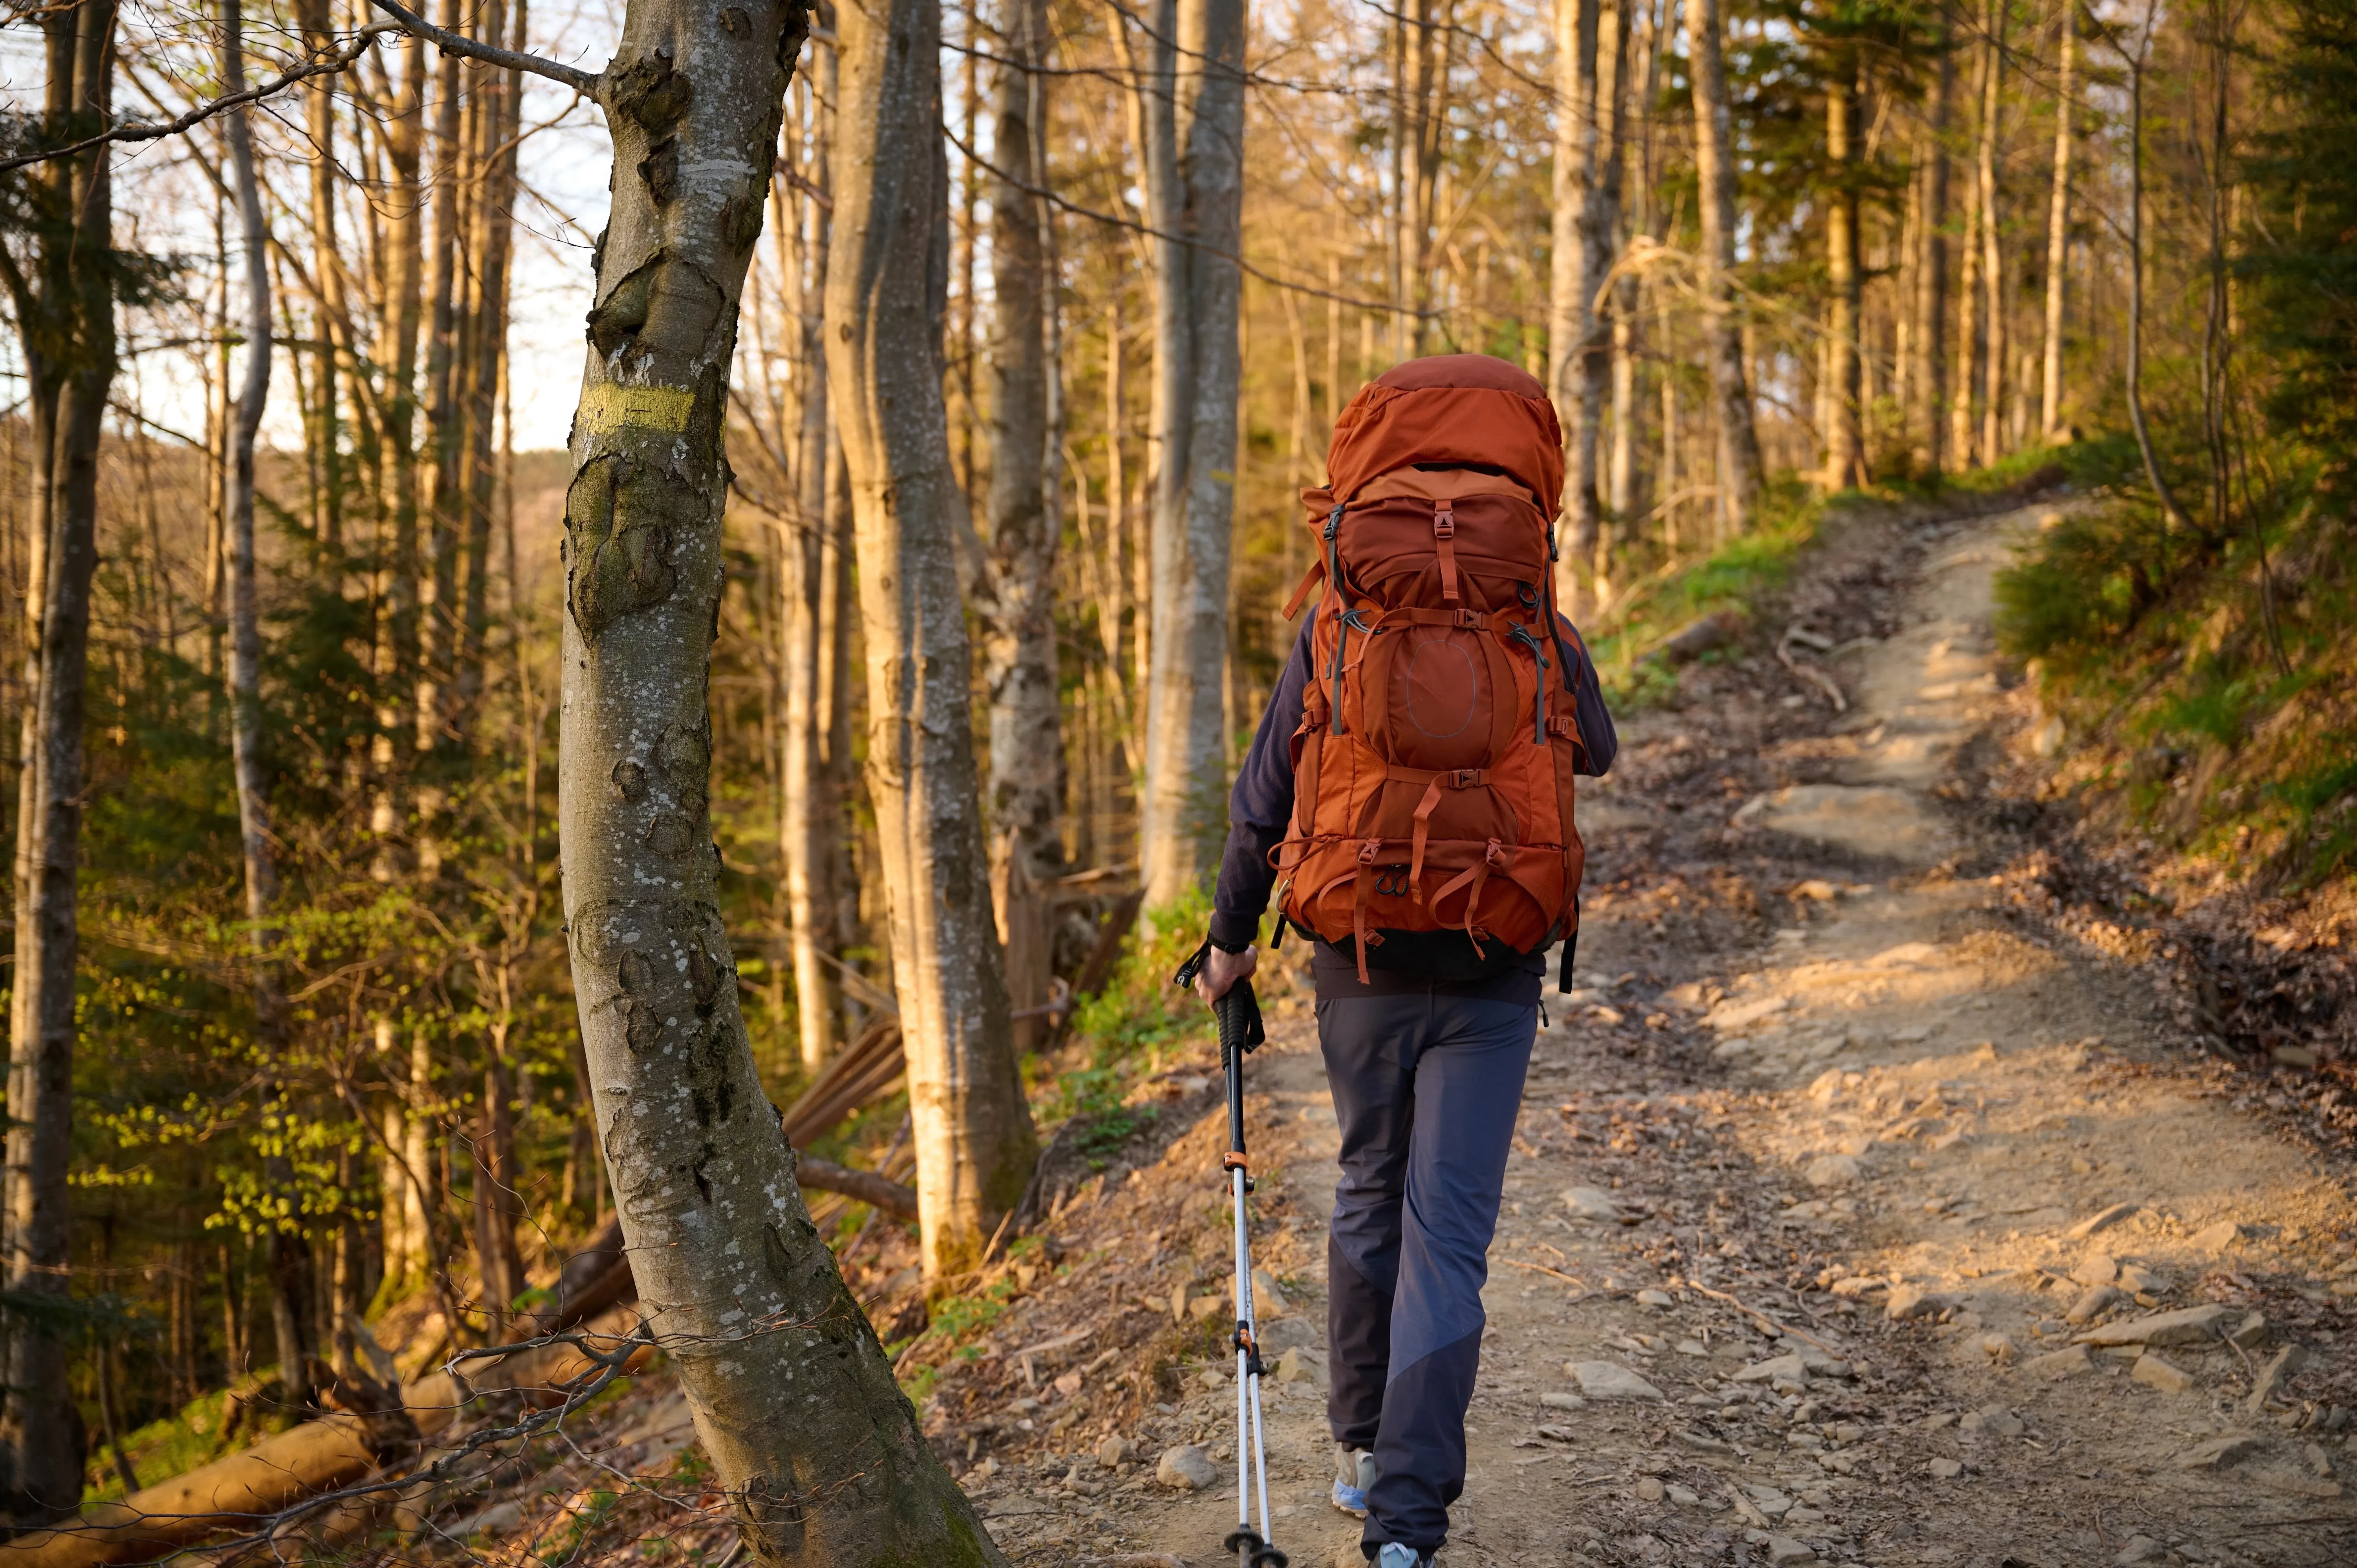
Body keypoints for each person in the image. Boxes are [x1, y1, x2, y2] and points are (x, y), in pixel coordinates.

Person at [1192, 355, 1617, 1568]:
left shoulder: (1339, 616)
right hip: (1493, 962)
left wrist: (1229, 941)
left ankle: (1358, 1447)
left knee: (1369, 1190)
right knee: (1452, 1237)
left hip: (1361, 956)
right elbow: (1599, 751)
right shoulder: (1531, 615)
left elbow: (1265, 797)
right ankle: (1408, 1529)